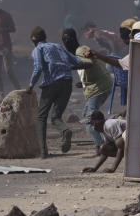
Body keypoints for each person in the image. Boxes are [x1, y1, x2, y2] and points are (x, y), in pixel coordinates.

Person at [27, 26, 93, 158]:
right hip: (67, 83)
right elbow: (76, 61)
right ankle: (65, 131)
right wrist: (91, 61)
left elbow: (38, 67)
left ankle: (42, 151)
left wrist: (30, 85)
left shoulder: (38, 49)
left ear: (33, 40)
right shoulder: (58, 46)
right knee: (56, 116)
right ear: (45, 37)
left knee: (41, 117)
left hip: (51, 84)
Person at [74, 45, 114, 153]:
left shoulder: (90, 63)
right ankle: (103, 143)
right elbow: (92, 77)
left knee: (90, 120)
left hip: (98, 90)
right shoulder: (94, 61)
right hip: (101, 88)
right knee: (86, 116)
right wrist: (82, 83)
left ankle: (102, 146)